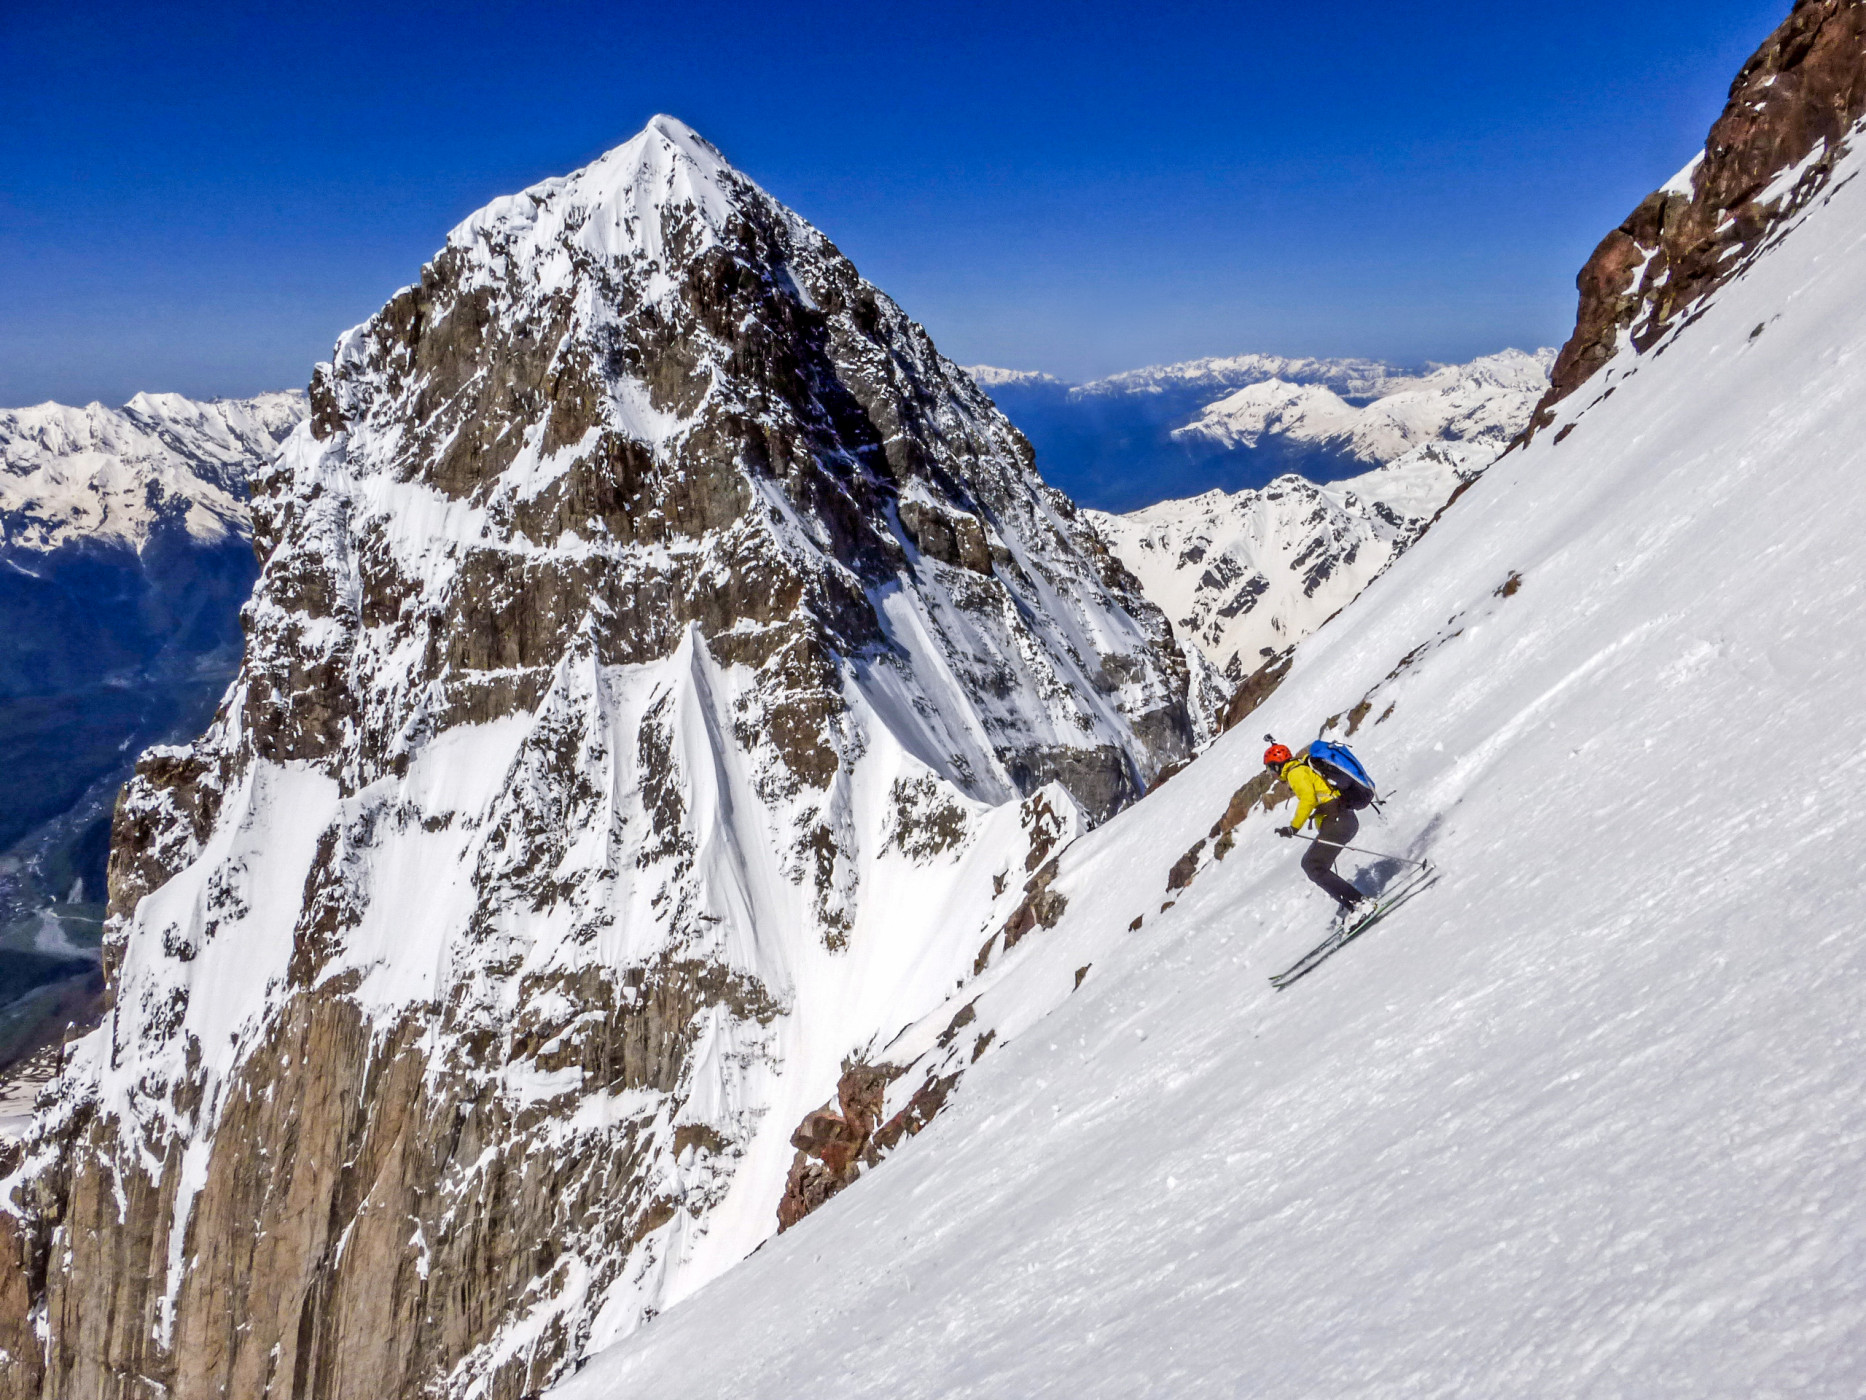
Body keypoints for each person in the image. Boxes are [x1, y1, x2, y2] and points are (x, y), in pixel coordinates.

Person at [1264, 741, 1367, 917]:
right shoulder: (1303, 768)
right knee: (1315, 865)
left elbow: (1308, 799)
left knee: (1312, 865)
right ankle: (1355, 906)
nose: (1272, 774)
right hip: (1343, 820)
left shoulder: (1295, 773)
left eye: (1270, 770)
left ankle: (1359, 905)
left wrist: (1293, 827)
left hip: (1338, 821)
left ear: (1277, 765)